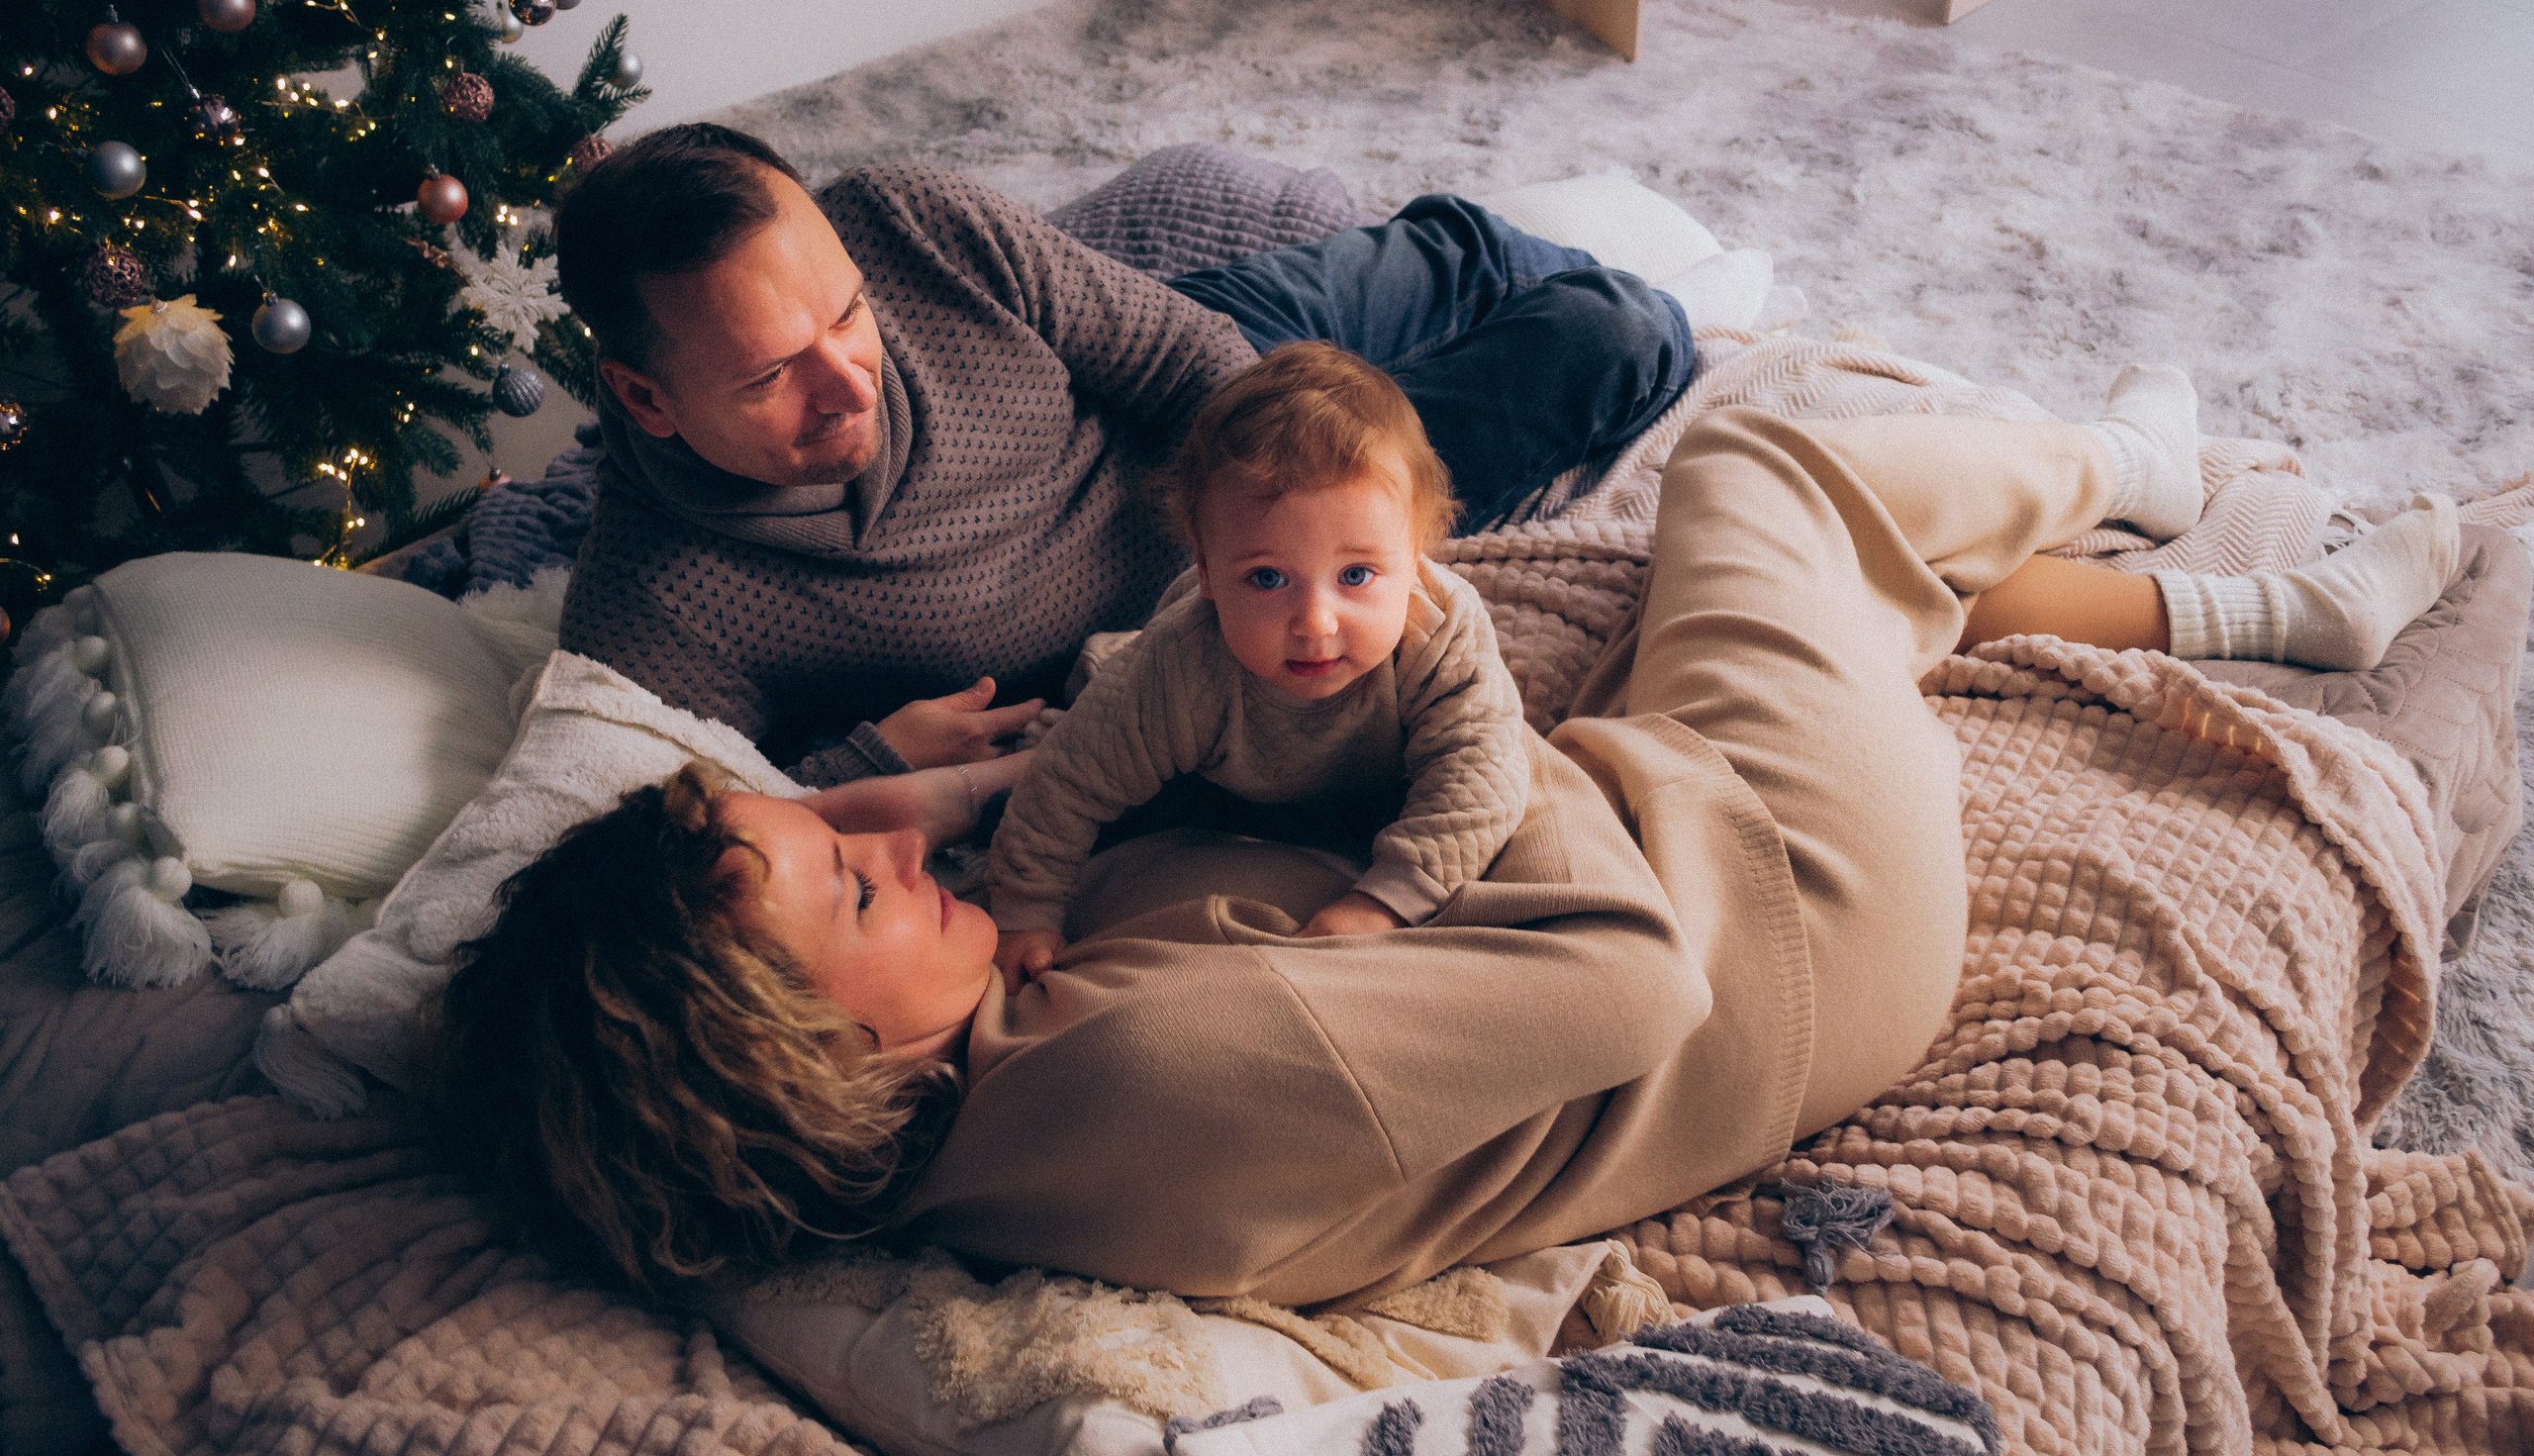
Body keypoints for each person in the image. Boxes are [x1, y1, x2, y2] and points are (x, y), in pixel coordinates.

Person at [434, 367, 2464, 1303]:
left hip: (1707, 867)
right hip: (1773, 895)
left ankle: (2158, 597)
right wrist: (1457, 795)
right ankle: (2150, 467)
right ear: (821, 1052)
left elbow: (1176, 844)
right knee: (1755, 455)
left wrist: (952, 806)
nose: (878, 851)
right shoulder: (1152, 1067)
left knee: (1848, 577)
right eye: (842, 887)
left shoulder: (992, 1095)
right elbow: (1624, 976)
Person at [550, 126, 1696, 788]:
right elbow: (685, 837)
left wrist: (1276, 470)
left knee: (1454, 251)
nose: (855, 380)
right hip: (1222, 537)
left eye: (845, 314)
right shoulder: (656, 607)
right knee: (1620, 329)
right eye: (768, 375)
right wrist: (857, 763)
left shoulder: (907, 222)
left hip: (1204, 394)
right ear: (643, 397)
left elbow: (1178, 351)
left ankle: (1448, 241)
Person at [984, 341, 1530, 982]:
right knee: (1104, 731)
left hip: (1370, 787)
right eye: (1267, 578)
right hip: (1214, 778)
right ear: (1207, 572)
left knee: (1524, 780)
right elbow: (1066, 783)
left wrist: (1382, 902)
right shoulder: (1180, 666)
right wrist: (1025, 908)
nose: (1315, 622)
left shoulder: (1441, 632)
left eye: (1356, 574)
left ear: (1416, 557)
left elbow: (1481, 776)